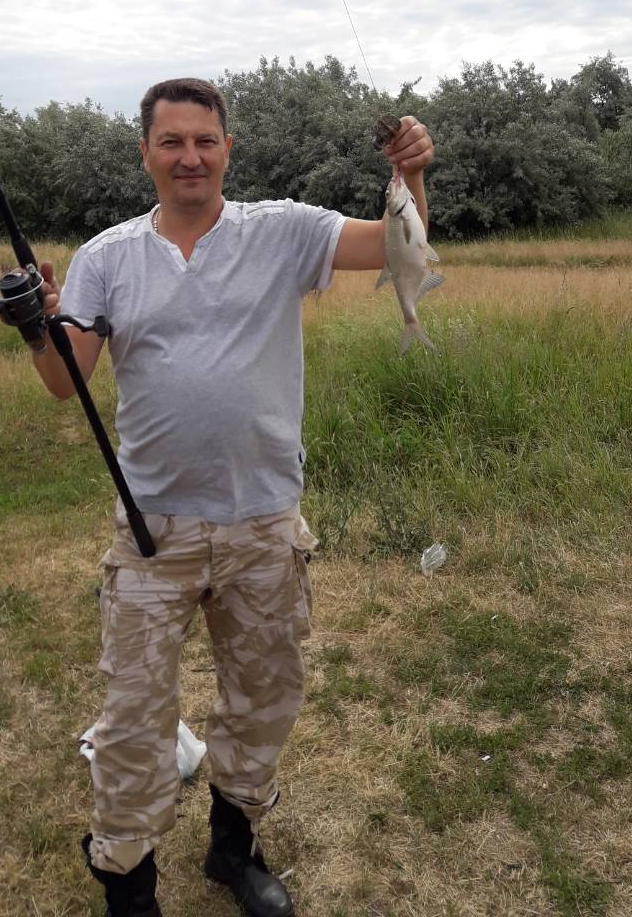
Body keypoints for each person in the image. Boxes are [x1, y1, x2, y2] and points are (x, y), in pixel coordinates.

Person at [32, 78, 434, 917]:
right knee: (133, 717)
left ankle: (233, 846)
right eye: (172, 141)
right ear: (145, 152)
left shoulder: (283, 230)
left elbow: (393, 246)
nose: (190, 156)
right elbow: (66, 380)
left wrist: (413, 174)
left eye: (204, 140)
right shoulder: (106, 257)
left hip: (263, 523)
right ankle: (128, 882)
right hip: (153, 531)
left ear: (227, 148)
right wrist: (36, 325)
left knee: (261, 701)